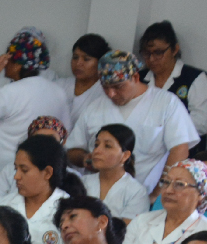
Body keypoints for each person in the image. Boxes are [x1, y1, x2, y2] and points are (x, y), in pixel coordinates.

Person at [67, 50, 198, 192]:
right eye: (105, 87)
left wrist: (160, 191)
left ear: (135, 77)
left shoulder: (166, 103)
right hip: (96, 194)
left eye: (118, 87)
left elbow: (179, 150)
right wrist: (87, 159)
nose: (111, 93)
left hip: (146, 191)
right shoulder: (94, 107)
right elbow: (72, 150)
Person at [0, 29, 70, 178]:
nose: (5, 64)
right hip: (37, 171)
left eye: (8, 60)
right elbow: (65, 133)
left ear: (17, 65)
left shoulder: (11, 92)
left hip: (1, 169)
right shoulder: (57, 91)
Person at [121, 159, 207, 244]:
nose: (168, 190)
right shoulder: (142, 221)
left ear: (201, 194)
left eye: (179, 184)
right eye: (166, 182)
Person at [0, 134, 84, 244]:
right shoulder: (4, 205)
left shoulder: (69, 209)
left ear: (47, 173)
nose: (16, 176)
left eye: (24, 170)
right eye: (16, 169)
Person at [138, 21, 207, 151]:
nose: (151, 59)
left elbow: (201, 123)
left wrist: (161, 130)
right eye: (147, 53)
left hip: (182, 152)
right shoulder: (139, 78)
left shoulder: (194, 78)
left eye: (158, 53)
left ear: (175, 49)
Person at [0, 115, 68, 202]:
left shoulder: (70, 178)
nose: (44, 145)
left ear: (62, 142)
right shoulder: (9, 170)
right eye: (38, 140)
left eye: (51, 140)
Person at [81, 123, 149, 221]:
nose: (97, 151)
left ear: (125, 155)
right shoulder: (83, 182)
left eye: (107, 146)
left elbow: (128, 231)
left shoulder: (136, 192)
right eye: (96, 145)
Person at [58, 34, 110, 124]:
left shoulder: (105, 92)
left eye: (86, 59)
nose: (78, 63)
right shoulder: (60, 85)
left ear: (101, 62)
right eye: (75, 57)